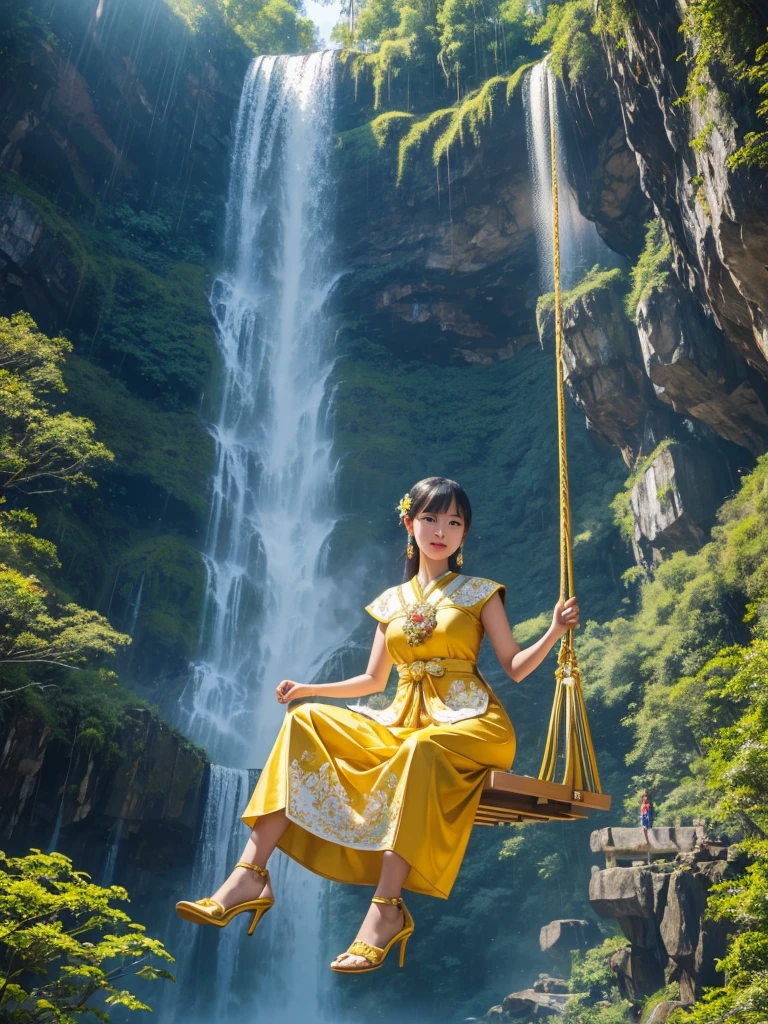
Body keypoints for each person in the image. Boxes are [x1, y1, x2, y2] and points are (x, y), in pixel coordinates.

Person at [176, 476, 580, 973]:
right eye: (430, 518)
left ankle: (386, 910)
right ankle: (249, 874)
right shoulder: (391, 602)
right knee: (305, 723)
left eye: (454, 522)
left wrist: (556, 631)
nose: (441, 530)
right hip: (402, 720)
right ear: (409, 524)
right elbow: (372, 680)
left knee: (421, 750)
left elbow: (514, 666)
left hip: (473, 723)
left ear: (464, 536)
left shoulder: (481, 593)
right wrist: (309, 690)